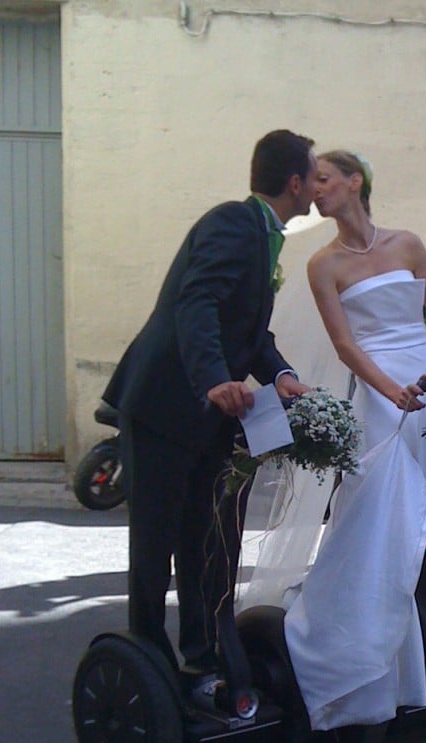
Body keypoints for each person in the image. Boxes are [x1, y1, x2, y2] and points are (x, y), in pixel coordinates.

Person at [282, 150, 426, 730]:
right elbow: (347, 347)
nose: (315, 190)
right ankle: (361, 655)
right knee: (380, 512)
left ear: (356, 182)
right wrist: (388, 390)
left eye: (324, 179)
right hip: (380, 392)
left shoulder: (407, 244)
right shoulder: (323, 265)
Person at [102, 130, 315, 686]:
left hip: (207, 417)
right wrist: (215, 378)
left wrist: (283, 374)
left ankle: (201, 655)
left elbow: (248, 331)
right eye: (311, 178)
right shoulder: (232, 222)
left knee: (202, 538)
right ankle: (147, 665)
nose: (316, 189)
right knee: (154, 544)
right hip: (163, 408)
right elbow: (198, 301)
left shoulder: (262, 234)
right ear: (294, 183)